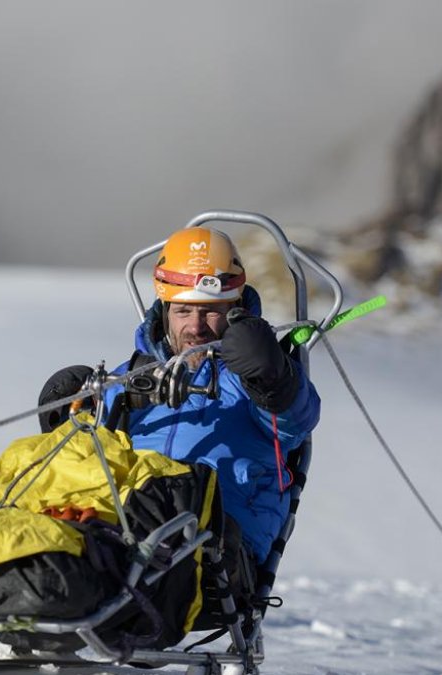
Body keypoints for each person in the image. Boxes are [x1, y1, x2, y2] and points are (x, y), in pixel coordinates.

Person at [37, 226, 321, 590]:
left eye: (211, 312)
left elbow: (296, 420)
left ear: (234, 309)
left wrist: (272, 379)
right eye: (183, 310)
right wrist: (74, 415)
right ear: (165, 309)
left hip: (217, 548)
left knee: (155, 515)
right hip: (121, 529)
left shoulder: (256, 374)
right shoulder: (132, 378)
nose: (196, 327)